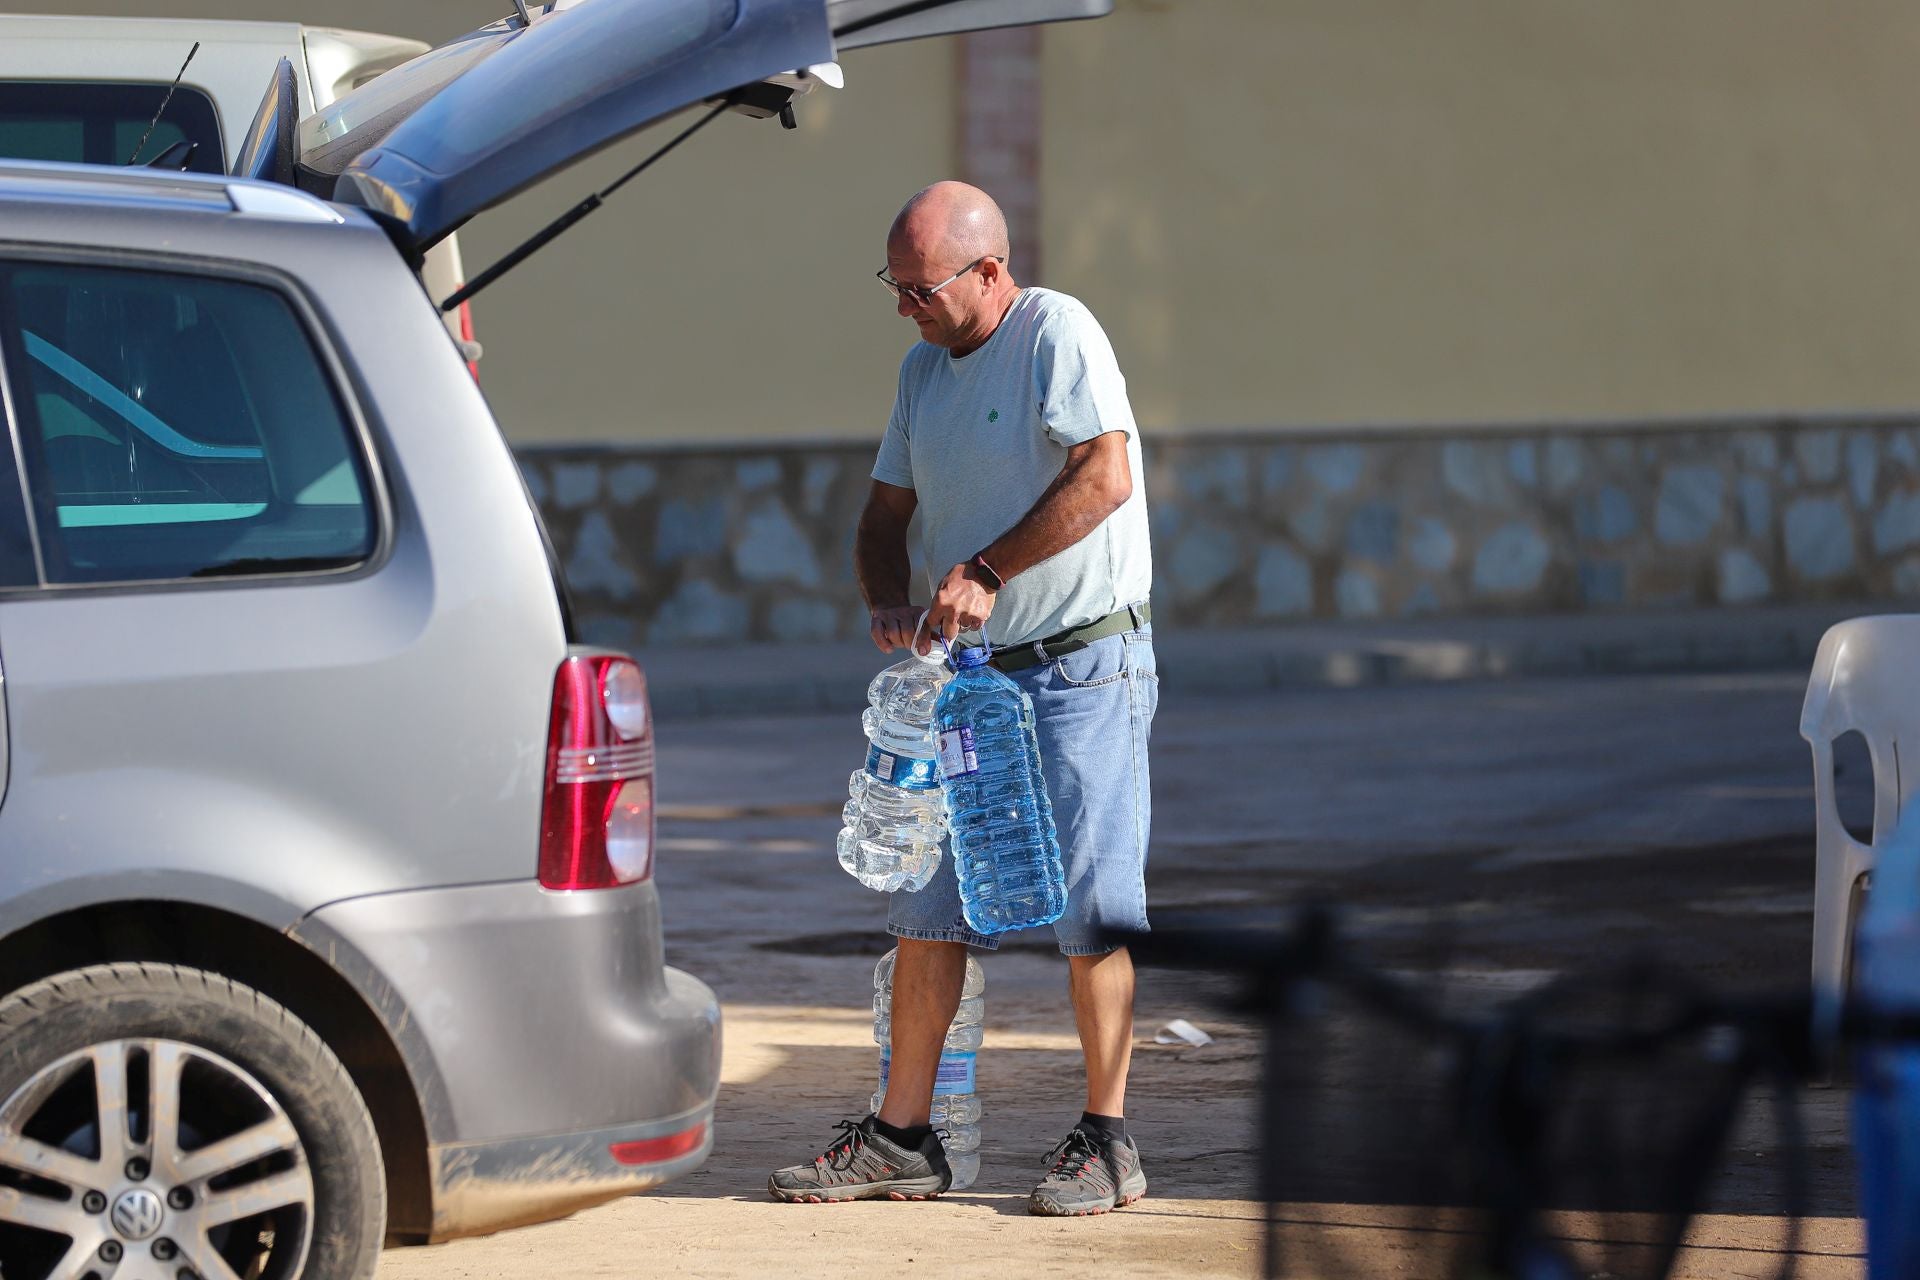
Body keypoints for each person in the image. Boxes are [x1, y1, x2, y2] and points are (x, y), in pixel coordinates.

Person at [769, 181, 1157, 1216]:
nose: (905, 308)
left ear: (989, 271)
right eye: (893, 288)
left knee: (1093, 907)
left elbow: (1105, 476)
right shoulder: (920, 372)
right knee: (926, 907)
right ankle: (903, 1136)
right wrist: (885, 600)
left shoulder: (1055, 332)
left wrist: (986, 568)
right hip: (966, 682)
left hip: (1080, 670)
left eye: (922, 289)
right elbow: (882, 516)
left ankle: (1108, 1139)